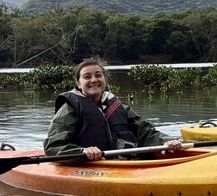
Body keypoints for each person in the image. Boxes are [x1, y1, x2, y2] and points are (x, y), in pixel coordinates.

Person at [44, 58, 183, 160]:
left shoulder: (119, 107)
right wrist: (82, 151)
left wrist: (167, 140)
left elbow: (145, 132)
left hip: (125, 162)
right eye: (87, 77)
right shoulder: (69, 109)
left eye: (98, 75)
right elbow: (53, 146)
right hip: (94, 164)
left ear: (105, 80)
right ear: (78, 84)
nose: (94, 80)